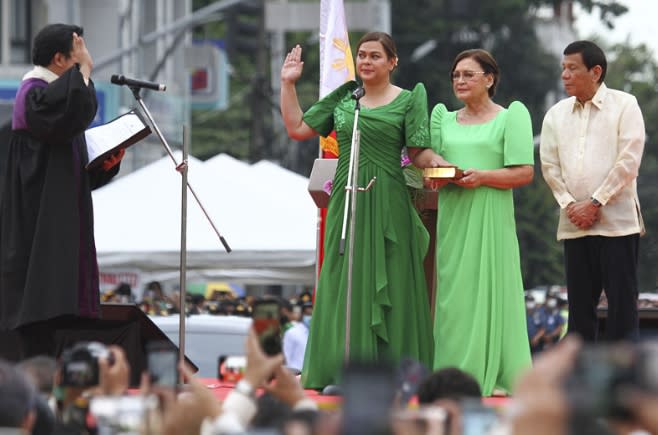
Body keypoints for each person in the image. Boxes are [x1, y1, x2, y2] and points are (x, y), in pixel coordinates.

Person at [280, 31, 447, 389]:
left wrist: (442, 164)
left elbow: (419, 152)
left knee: (395, 279)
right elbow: (297, 128)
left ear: (392, 62)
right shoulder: (345, 98)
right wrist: (288, 84)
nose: (366, 61)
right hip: (347, 195)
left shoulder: (408, 99)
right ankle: (343, 371)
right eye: (362, 55)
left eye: (375, 56)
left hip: (388, 196)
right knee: (347, 279)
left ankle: (398, 374)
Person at [0, 24, 124, 358]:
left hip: (55, 232)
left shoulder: (52, 108)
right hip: (37, 241)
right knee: (39, 334)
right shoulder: (35, 97)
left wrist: (104, 165)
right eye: (77, 58)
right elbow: (73, 109)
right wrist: (85, 69)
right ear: (58, 59)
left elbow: (65, 179)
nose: (84, 66)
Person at [428, 49, 534, 396]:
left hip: (490, 213)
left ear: (489, 79)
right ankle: (452, 374)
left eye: (468, 75)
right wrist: (437, 174)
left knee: (492, 288)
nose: (460, 81)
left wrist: (483, 176)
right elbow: (429, 168)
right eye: (456, 75)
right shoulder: (442, 119)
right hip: (453, 215)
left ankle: (500, 375)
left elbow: (524, 172)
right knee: (453, 296)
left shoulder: (510, 117)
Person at [539, 40, 645, 342]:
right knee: (580, 310)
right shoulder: (555, 115)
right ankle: (578, 383)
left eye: (572, 68)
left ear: (596, 71)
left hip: (618, 224)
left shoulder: (626, 105)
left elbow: (629, 160)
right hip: (574, 225)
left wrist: (596, 202)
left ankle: (624, 384)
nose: (565, 75)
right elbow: (549, 165)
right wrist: (571, 205)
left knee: (623, 307)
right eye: (563, 68)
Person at [283, 302, 313, 371]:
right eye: (307, 314)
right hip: (295, 374)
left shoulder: (318, 333)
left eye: (312, 314)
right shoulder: (292, 332)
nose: (310, 317)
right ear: (302, 315)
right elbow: (286, 357)